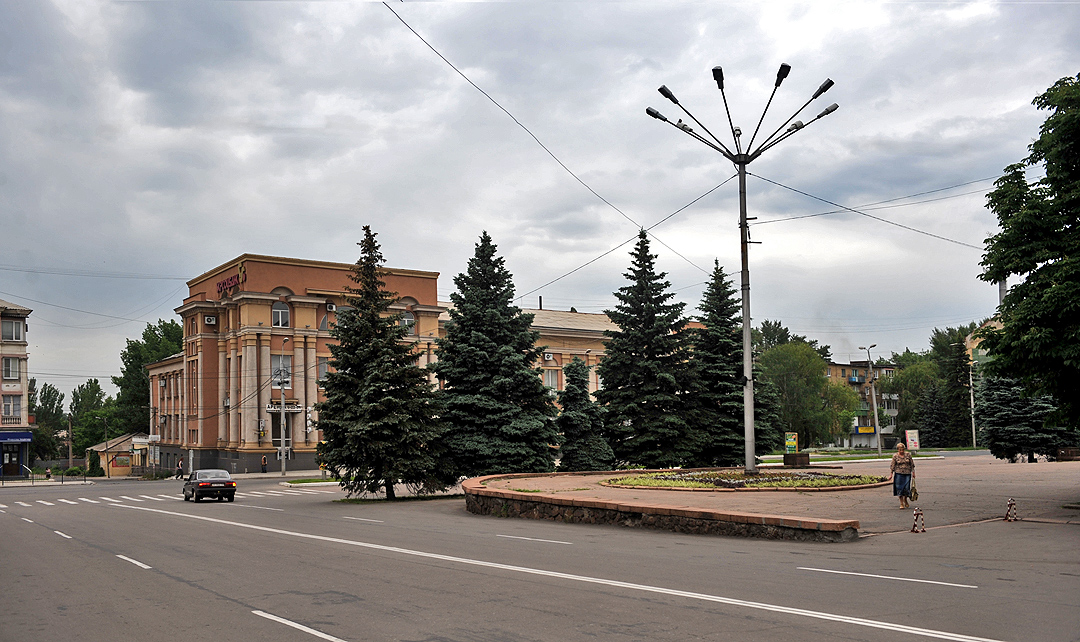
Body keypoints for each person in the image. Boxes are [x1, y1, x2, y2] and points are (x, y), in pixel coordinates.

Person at [889, 442, 915, 508]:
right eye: (900, 450)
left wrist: (913, 472)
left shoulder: (908, 455)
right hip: (898, 473)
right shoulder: (895, 456)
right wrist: (891, 474)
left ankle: (905, 500)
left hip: (907, 473)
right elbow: (892, 465)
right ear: (898, 449)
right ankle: (901, 503)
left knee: (906, 488)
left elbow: (912, 464)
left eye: (903, 449)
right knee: (899, 488)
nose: (902, 451)